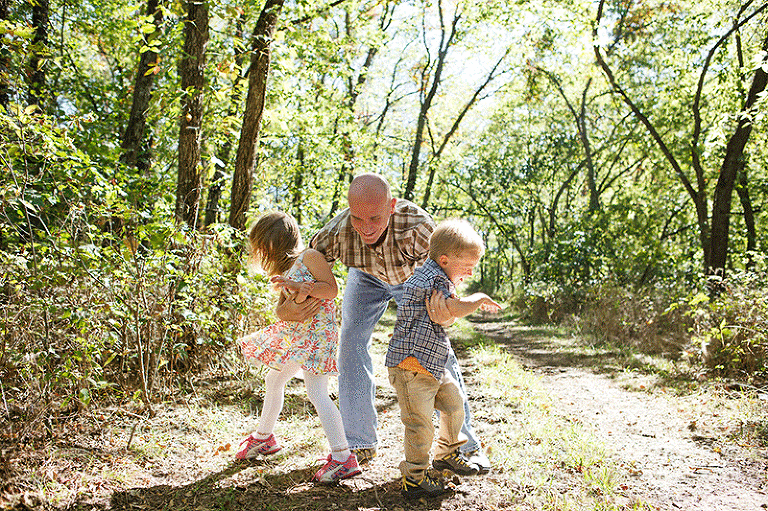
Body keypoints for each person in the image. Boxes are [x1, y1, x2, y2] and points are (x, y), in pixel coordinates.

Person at [276, 173, 491, 472]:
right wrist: (284, 307)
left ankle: (463, 446)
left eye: (374, 218)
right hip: (366, 278)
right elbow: (304, 267)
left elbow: (447, 276)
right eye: (357, 219)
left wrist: (448, 312)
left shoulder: (419, 229)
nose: (365, 228)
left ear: (391, 206)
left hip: (413, 280)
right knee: (350, 340)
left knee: (436, 345)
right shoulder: (338, 231)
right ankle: (359, 442)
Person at [234, 212, 361, 484]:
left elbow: (331, 290)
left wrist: (303, 288)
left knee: (316, 392)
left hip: (316, 338)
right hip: (298, 337)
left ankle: (343, 457)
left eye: (262, 246)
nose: (261, 254)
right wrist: (292, 306)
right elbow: (282, 311)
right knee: (274, 378)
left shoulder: (310, 257)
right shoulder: (286, 271)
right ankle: (264, 438)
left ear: (273, 242)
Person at [385, 219, 501, 499]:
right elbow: (452, 308)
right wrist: (479, 298)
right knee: (420, 425)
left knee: (453, 405)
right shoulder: (433, 279)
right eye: (468, 266)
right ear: (445, 259)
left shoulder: (440, 276)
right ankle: (414, 478)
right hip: (411, 366)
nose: (471, 272)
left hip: (433, 363)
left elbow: (442, 316)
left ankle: (447, 453)